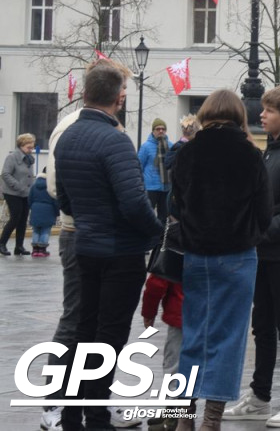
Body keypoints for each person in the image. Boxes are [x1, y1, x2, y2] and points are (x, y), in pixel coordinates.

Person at [55, 64, 163, 431]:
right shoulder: (115, 140)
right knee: (109, 338)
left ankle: (71, 414)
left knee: (83, 333)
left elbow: (65, 200)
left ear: (85, 93)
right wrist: (156, 233)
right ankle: (97, 417)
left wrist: (90, 217)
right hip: (120, 252)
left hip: (86, 246)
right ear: (120, 97)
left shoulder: (68, 137)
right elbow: (134, 204)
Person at [169, 90, 271, 430]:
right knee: (230, 336)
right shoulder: (250, 154)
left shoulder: (188, 152)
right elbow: (265, 211)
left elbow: (174, 205)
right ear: (238, 115)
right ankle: (212, 417)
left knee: (194, 332)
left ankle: (184, 414)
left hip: (197, 253)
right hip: (238, 254)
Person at [224, 85, 280, 427]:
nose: (261, 115)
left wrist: (260, 232)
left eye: (269, 111)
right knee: (262, 326)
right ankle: (260, 395)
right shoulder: (274, 150)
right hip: (264, 253)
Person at [140, 271, 183, 431]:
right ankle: (206, 417)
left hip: (182, 312)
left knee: (175, 365)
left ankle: (173, 415)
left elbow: (158, 281)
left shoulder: (176, 245)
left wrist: (148, 312)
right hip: (215, 312)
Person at [1, 132, 36, 256]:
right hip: (12, 193)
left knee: (23, 220)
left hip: (25, 193)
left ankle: (19, 246)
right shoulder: (12, 157)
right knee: (15, 218)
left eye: (32, 147)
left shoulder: (29, 159)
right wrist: (18, 186)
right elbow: (5, 174)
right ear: (21, 145)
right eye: (28, 147)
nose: (31, 150)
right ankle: (2, 243)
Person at [138, 118, 172, 222]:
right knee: (147, 215)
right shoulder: (146, 147)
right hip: (150, 187)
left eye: (163, 129)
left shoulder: (170, 145)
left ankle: (161, 238)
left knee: (164, 217)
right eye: (158, 129)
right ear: (153, 131)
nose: (161, 131)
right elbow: (138, 166)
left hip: (166, 187)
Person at [29, 169, 59, 257]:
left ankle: (35, 250)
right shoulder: (51, 186)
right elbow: (55, 201)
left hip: (35, 209)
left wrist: (32, 208)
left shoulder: (34, 186)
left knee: (36, 230)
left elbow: (29, 199)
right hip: (48, 210)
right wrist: (57, 212)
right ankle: (42, 250)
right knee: (45, 230)